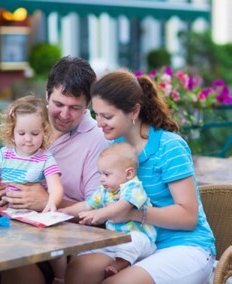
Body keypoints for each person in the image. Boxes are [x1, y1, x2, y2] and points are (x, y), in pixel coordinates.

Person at [65, 69, 216, 284]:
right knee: (79, 270)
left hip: (184, 246)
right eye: (96, 114)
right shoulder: (115, 148)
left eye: (107, 116)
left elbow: (188, 217)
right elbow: (100, 199)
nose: (99, 123)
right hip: (135, 241)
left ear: (134, 111)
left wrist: (131, 214)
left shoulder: (169, 147)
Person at [0, 56, 109, 284]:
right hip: (11, 227)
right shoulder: (28, 124)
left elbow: (101, 215)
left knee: (13, 268)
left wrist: (47, 201)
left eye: (75, 108)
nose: (65, 115)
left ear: (88, 104)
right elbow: (4, 167)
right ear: (47, 96)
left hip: (61, 244)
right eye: (58, 104)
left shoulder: (98, 140)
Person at [61, 142, 156, 280]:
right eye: (100, 173)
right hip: (115, 238)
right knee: (91, 247)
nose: (101, 179)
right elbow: (87, 205)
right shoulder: (104, 191)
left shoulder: (133, 186)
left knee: (134, 241)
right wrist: (64, 212)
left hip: (141, 238)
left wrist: (99, 213)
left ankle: (121, 263)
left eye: (106, 174)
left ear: (128, 173)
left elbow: (123, 206)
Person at [0, 95, 63, 213]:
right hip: (6, 215)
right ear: (12, 132)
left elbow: (56, 187)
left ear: (44, 132)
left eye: (35, 134)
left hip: (34, 216)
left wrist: (51, 203)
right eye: (21, 133)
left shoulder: (46, 158)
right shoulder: (2, 156)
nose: (28, 139)